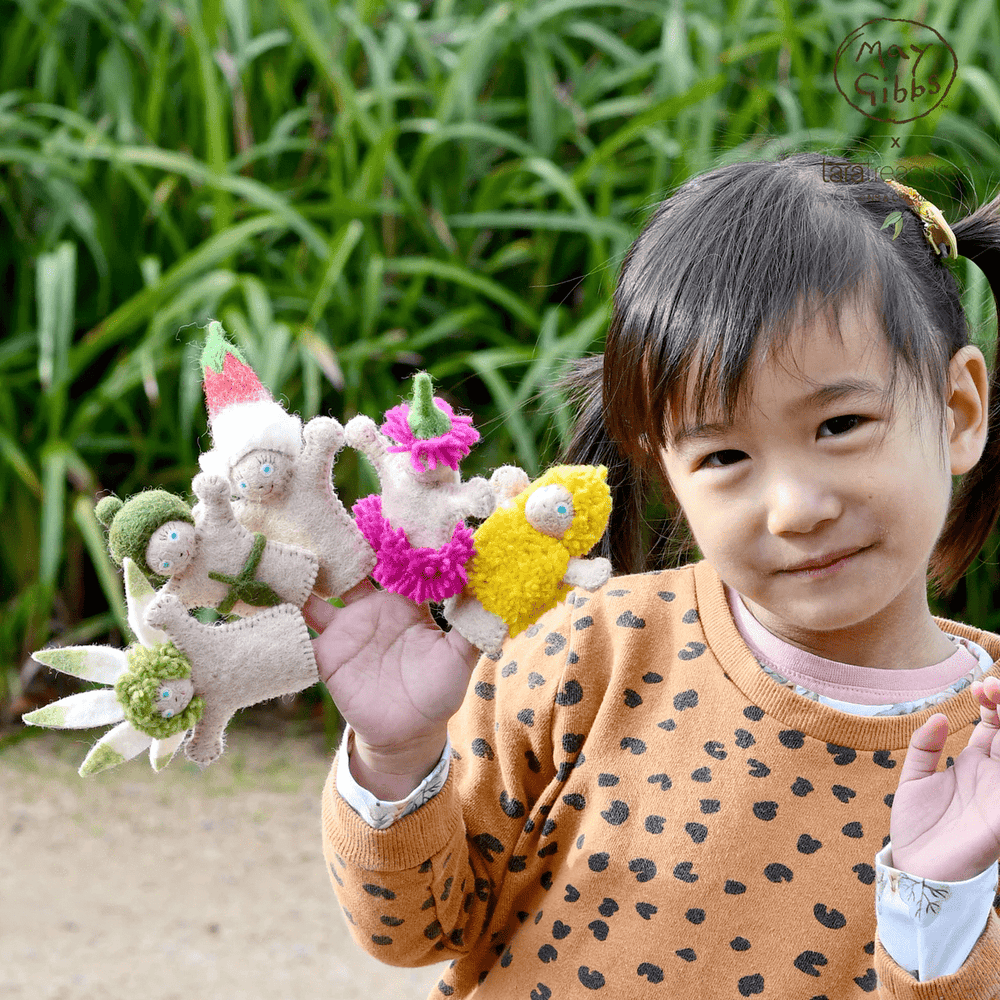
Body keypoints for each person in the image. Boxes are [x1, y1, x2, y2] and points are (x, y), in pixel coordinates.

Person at [305, 152, 1000, 998]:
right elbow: (412, 929)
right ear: (667, 472)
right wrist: (397, 753)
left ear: (961, 410)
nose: (793, 507)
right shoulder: (585, 653)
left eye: (841, 423)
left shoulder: (989, 754)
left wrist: (937, 905)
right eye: (724, 454)